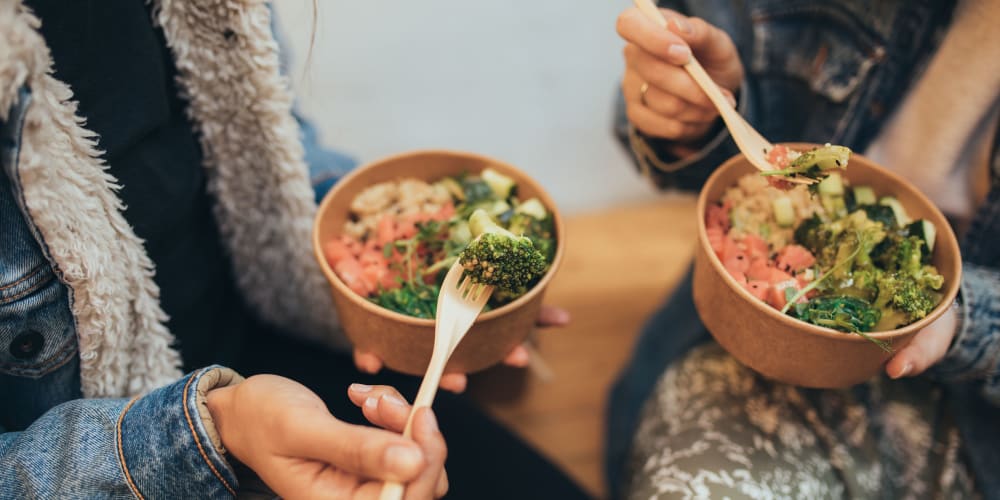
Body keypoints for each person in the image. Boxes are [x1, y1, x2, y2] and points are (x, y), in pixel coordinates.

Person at [0, 1, 590, 498]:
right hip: (113, 448)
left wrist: (359, 243)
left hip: (266, 339)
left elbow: (270, 135)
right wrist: (212, 430)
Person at [607, 0, 999, 498]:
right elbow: (660, 100)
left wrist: (968, 316)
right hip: (740, 339)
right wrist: (692, 121)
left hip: (974, 423)